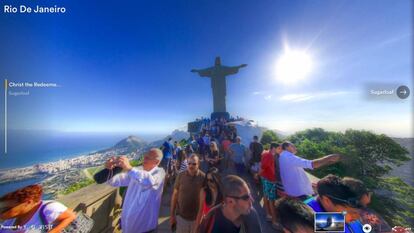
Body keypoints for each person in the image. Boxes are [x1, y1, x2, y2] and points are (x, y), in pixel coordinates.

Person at [105, 148, 165, 233]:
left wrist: (129, 167)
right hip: (127, 226)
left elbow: (148, 181)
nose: (144, 159)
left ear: (157, 162)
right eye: (144, 156)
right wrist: (110, 170)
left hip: (145, 229)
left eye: (148, 158)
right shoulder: (138, 169)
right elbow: (115, 181)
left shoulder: (160, 173)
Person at [0, 184, 76, 233]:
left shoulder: (48, 208)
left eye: (6, 209)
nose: (2, 213)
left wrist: (54, 231)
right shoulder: (10, 220)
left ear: (27, 202)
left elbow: (71, 216)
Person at [198, 175, 262, 233]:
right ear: (230, 201)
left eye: (250, 195)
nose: (252, 200)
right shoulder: (211, 218)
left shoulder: (251, 214)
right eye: (246, 197)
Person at [170, 154, 205, 233]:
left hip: (195, 219)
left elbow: (204, 202)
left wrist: (199, 220)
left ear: (198, 164)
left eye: (194, 164)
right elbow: (175, 195)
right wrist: (172, 215)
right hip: (181, 218)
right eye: (189, 163)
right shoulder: (180, 176)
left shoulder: (203, 178)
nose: (191, 166)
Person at [259, 142, 281, 229]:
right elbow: (264, 166)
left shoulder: (266, 153)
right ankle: (274, 222)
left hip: (265, 178)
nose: (280, 150)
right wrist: (257, 174)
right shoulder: (269, 155)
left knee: (265, 194)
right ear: (273, 148)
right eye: (278, 148)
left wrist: (259, 175)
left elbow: (264, 166)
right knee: (271, 200)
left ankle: (268, 215)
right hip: (270, 180)